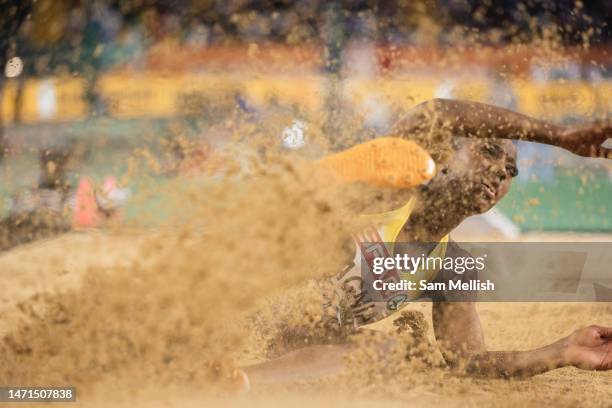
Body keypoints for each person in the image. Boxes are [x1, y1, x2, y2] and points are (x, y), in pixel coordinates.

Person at [218, 99, 612, 391]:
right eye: (489, 152)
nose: (499, 172)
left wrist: (564, 350)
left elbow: (468, 360)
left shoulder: (452, 267)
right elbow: (433, 114)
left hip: (284, 344)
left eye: (510, 171)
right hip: (219, 307)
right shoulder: (387, 190)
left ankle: (234, 384)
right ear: (444, 153)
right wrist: (558, 136)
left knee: (390, 354)